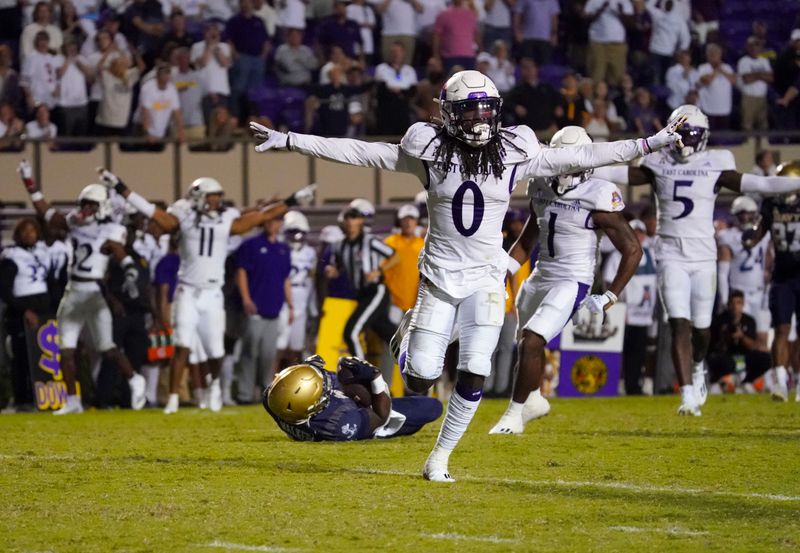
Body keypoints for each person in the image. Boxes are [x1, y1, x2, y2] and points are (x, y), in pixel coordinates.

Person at [251, 69, 686, 481]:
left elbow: (590, 153)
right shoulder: (429, 150)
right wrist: (292, 140)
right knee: (421, 376)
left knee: (476, 368)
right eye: (470, 111)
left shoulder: (517, 152)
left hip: (485, 278)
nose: (480, 120)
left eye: (486, 110)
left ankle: (440, 456)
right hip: (439, 277)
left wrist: (650, 142)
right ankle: (410, 341)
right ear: (448, 114)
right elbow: (363, 152)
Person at [593, 105, 800, 415]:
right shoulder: (657, 162)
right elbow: (620, 173)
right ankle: (688, 393)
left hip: (704, 257)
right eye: (679, 135)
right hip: (671, 253)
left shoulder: (716, 164)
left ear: (703, 137)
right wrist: (579, 163)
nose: (684, 142)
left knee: (702, 329)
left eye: (691, 135)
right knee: (679, 322)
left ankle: (700, 366)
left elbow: (763, 185)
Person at [96, 169, 316, 414]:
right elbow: (151, 211)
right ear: (198, 196)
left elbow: (262, 215)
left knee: (215, 350)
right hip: (188, 292)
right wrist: (120, 186)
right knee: (182, 345)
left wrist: (293, 200)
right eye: (211, 196)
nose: (215, 201)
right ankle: (172, 399)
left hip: (212, 294)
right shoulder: (184, 218)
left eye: (217, 196)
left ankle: (213, 386)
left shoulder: (226, 219)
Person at [490, 126, 642, 434]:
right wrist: (502, 269)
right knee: (526, 345)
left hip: (572, 280)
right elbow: (527, 240)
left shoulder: (598, 193)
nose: (564, 169)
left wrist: (610, 295)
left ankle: (513, 415)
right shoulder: (541, 185)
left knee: (534, 338)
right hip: (539, 275)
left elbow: (633, 249)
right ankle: (533, 398)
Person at [16, 161, 147, 415]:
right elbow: (47, 213)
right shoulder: (75, 224)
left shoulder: (110, 228)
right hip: (72, 292)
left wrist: (130, 267)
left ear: (101, 207)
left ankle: (134, 379)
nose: (85, 209)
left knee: (107, 348)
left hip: (94, 294)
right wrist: (29, 183)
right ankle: (72, 400)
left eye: (91, 205)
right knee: (66, 350)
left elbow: (116, 249)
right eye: (83, 204)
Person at [264, 355, 442, 441]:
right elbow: (381, 417)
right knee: (433, 407)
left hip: (329, 410)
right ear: (313, 406)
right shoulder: (340, 423)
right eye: (323, 388)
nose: (327, 383)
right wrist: (375, 378)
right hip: (376, 418)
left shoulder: (274, 399)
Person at [745, 161, 800, 402]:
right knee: (781, 329)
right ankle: (780, 384)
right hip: (782, 275)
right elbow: (758, 234)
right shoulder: (771, 205)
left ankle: (798, 384)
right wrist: (749, 239)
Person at [326, 200, 399, 359]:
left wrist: (378, 270)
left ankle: (362, 374)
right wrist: (332, 271)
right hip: (361, 295)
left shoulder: (369, 241)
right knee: (391, 335)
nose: (351, 221)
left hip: (376, 291)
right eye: (348, 218)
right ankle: (414, 362)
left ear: (361, 221)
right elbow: (337, 267)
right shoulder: (340, 245)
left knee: (351, 332)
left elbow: (394, 256)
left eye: (354, 217)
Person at [236, 216, 292, 403]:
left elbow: (285, 279)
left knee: (268, 354)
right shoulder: (251, 245)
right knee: (249, 352)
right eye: (269, 220)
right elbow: (241, 271)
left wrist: (290, 305)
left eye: (276, 220)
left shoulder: (283, 249)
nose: (272, 223)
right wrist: (245, 298)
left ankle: (265, 392)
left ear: (281, 223)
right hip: (255, 308)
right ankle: (244, 393)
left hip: (274, 309)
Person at [0, 219, 54, 411]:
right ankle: (22, 399)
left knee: (44, 357)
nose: (30, 234)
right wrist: (24, 310)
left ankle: (43, 398)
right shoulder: (12, 256)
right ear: (18, 235)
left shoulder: (41, 252)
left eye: (33, 231)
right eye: (25, 231)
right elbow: (5, 290)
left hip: (43, 312)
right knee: (22, 357)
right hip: (21, 314)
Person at [603, 219, 658, 395]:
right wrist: (616, 307)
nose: (639, 236)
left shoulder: (651, 254)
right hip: (625, 312)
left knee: (639, 352)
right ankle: (616, 384)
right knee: (620, 350)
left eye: (641, 233)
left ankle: (634, 386)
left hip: (644, 313)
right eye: (635, 232)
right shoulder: (617, 255)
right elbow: (607, 281)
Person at [717, 196, 772, 349]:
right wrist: (724, 298)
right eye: (741, 213)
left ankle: (762, 372)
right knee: (740, 337)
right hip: (739, 295)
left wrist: (767, 292)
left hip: (759, 293)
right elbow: (722, 272)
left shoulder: (765, 235)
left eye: (749, 213)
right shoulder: (728, 236)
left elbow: (768, 266)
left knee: (762, 337)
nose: (745, 217)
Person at [707, 290, 771, 391]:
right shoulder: (719, 321)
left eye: (738, 303)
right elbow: (714, 348)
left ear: (743, 304)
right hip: (727, 357)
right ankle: (723, 381)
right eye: (732, 303)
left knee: (765, 359)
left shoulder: (749, 321)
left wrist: (741, 337)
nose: (735, 306)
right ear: (728, 304)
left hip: (744, 357)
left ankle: (747, 380)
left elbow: (753, 346)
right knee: (716, 360)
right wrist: (725, 336)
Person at [276, 211, 317, 367]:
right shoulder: (280, 250)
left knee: (297, 345)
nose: (297, 237)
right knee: (280, 344)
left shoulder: (310, 253)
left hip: (301, 296)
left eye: (300, 233)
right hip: (283, 297)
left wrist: (312, 306)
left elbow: (310, 281)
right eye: (293, 232)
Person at [737, 37, 773, 133]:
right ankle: (748, 147)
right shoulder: (744, 61)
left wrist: (755, 75)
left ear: (760, 48)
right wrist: (762, 75)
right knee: (747, 124)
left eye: (757, 46)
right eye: (752, 46)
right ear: (748, 48)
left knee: (763, 125)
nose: (754, 48)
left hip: (762, 97)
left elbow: (771, 78)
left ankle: (763, 147)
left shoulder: (764, 60)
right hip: (748, 97)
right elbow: (747, 79)